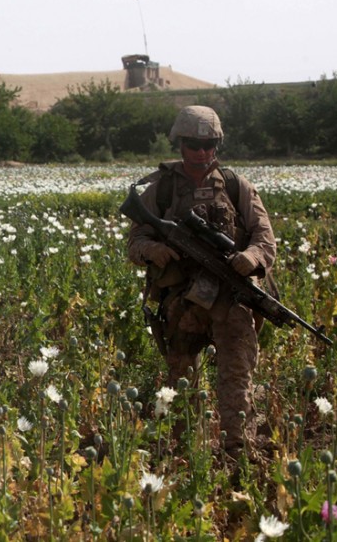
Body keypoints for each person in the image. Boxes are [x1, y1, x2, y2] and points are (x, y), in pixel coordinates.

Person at [126, 105, 276, 463]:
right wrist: (154, 250)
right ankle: (184, 454)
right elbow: (134, 242)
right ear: (180, 143)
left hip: (231, 299)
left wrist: (251, 258)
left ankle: (236, 451)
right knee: (182, 380)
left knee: (237, 377)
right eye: (194, 143)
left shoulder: (237, 187)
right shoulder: (160, 190)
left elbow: (265, 239)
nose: (202, 152)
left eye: (209, 144)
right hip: (182, 302)